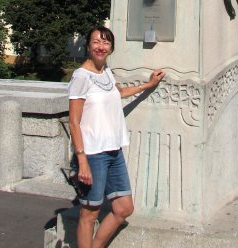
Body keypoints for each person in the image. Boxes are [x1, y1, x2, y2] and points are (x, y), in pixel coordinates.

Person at [68, 26, 165, 248]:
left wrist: (148, 85)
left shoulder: (106, 72)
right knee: (89, 213)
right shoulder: (81, 77)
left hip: (113, 151)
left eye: (106, 43)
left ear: (111, 48)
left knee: (123, 208)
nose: (101, 47)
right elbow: (74, 122)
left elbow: (118, 92)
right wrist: (81, 159)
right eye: (96, 42)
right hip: (93, 153)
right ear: (88, 46)